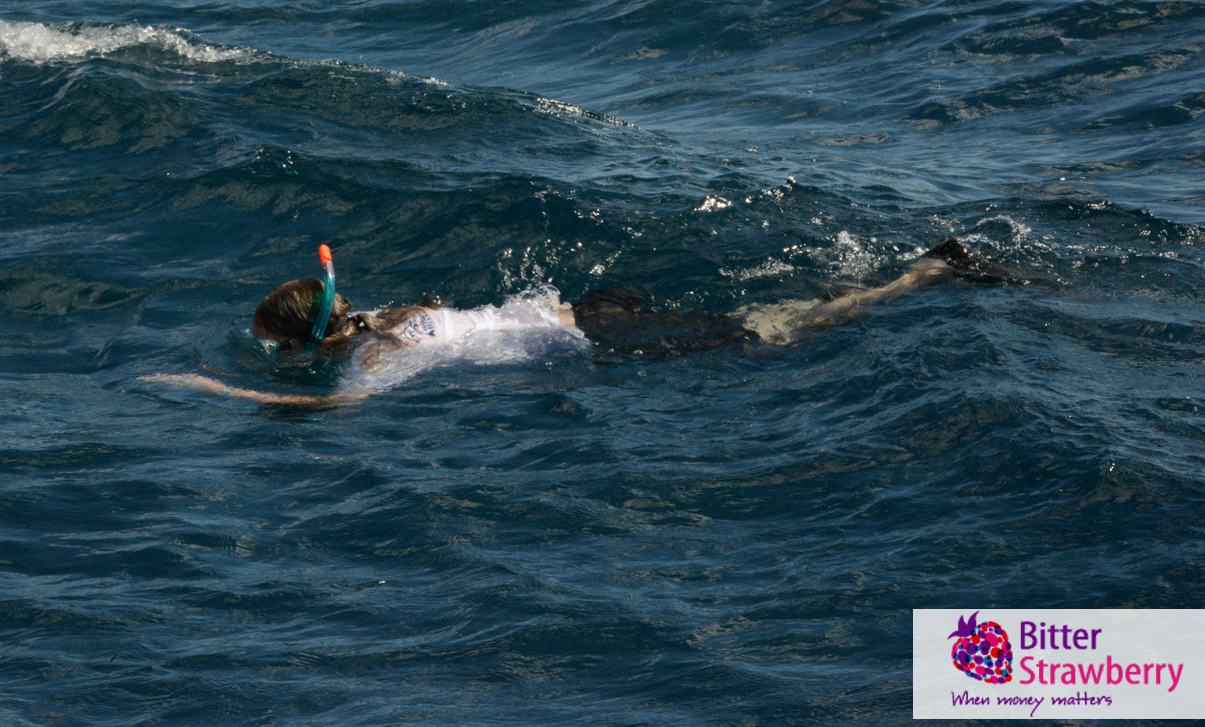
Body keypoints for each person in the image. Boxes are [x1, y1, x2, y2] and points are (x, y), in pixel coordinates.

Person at [144, 237, 1036, 406]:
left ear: (302, 340)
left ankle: (921, 276)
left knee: (784, 334)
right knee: (764, 318)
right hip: (579, 311)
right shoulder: (389, 315)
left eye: (270, 344)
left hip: (597, 338)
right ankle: (888, 279)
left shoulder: (373, 358)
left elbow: (331, 409)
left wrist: (213, 387)